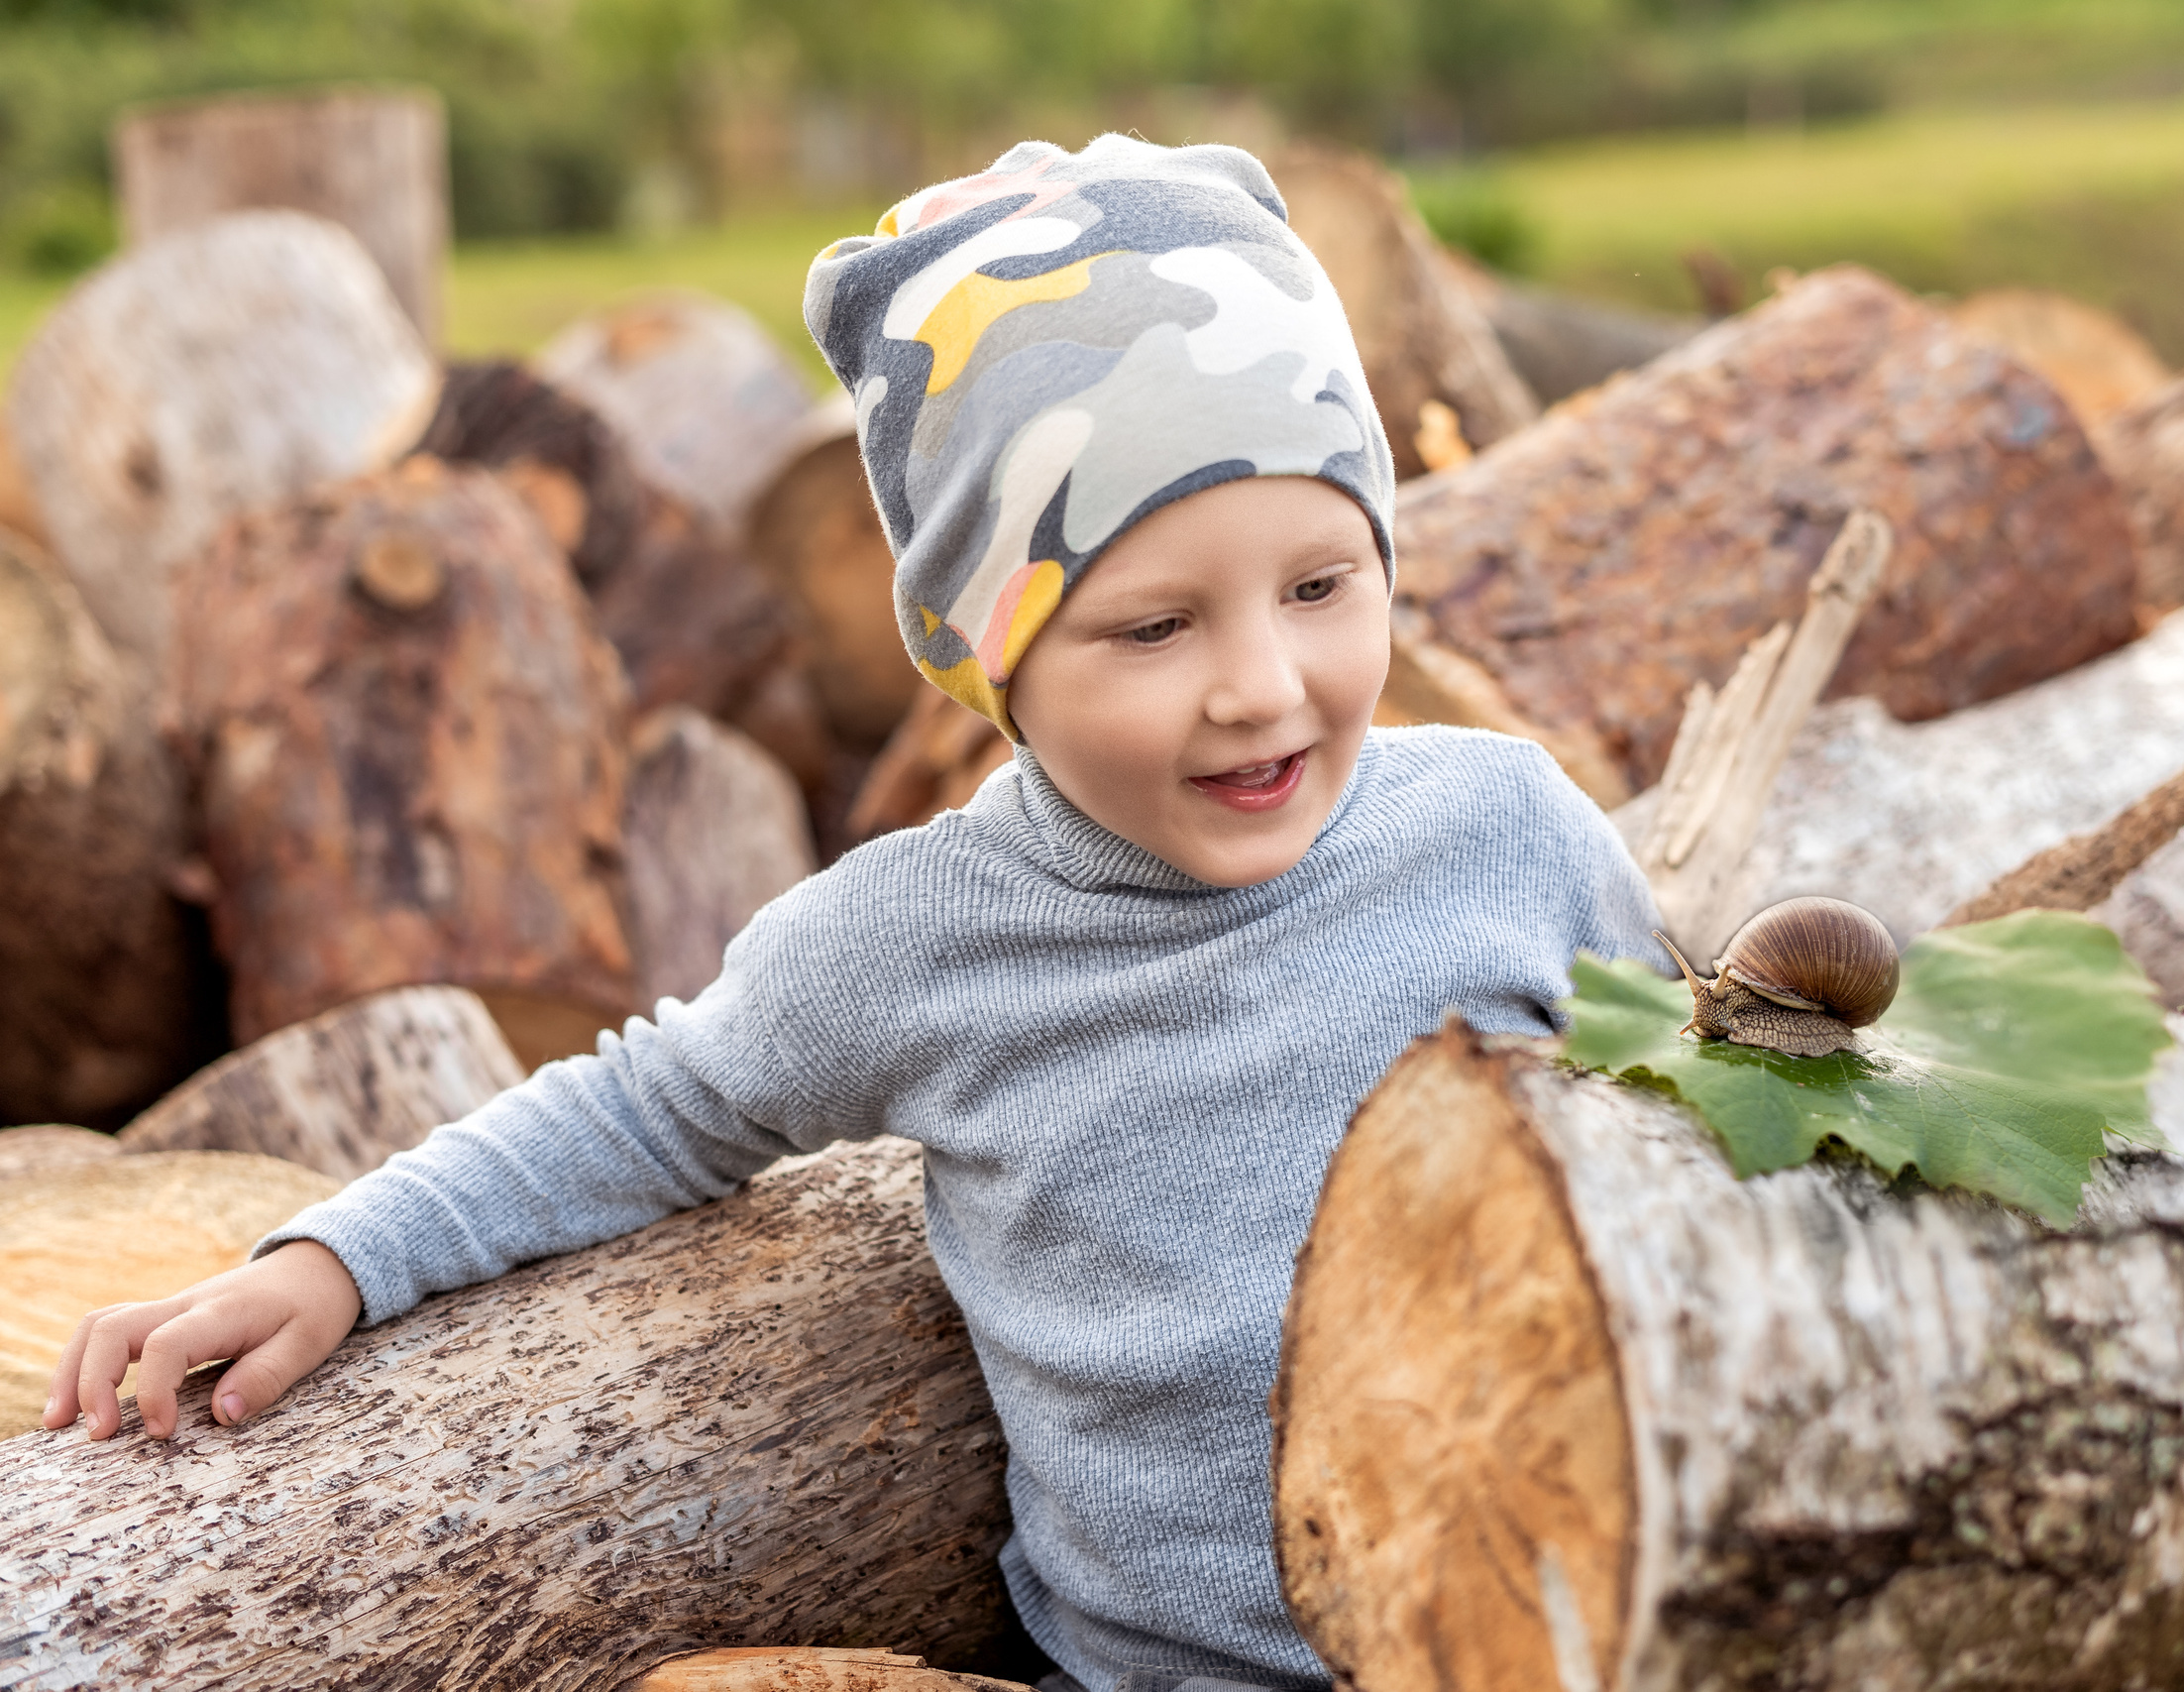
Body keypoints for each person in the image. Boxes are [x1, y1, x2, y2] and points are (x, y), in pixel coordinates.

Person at [46, 136, 1663, 1692]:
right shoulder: (922, 941)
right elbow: (647, 1106)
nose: (1262, 685)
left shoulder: (1502, 830)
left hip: (1585, 1627)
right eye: (1154, 626)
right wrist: (341, 1256)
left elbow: (1681, 1101)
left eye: (1321, 586)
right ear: (991, 658)